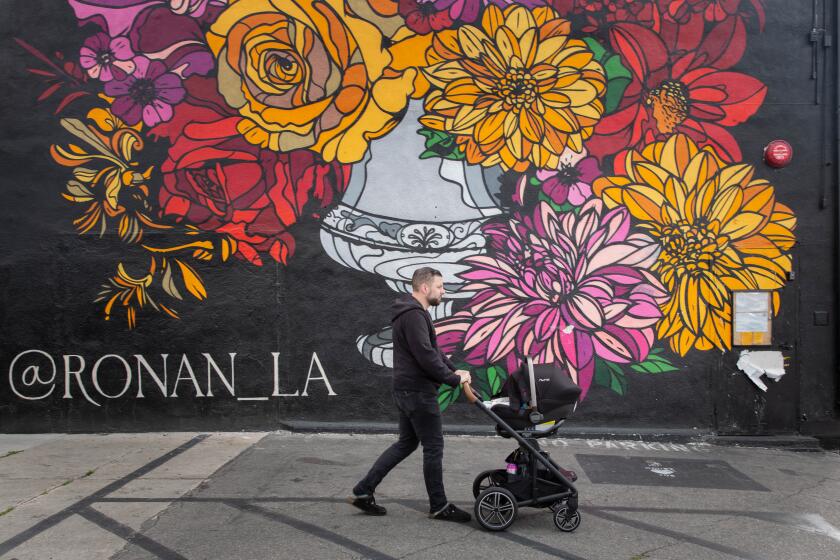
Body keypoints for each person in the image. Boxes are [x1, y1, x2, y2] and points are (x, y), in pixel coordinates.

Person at [348, 267, 473, 522]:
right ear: (425, 288)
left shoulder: (412, 313)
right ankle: (438, 506)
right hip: (417, 392)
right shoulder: (415, 315)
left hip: (406, 389)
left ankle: (363, 490)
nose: (443, 291)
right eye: (440, 286)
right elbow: (425, 356)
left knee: (407, 443)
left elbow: (434, 351)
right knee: (433, 447)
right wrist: (451, 379)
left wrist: (454, 370)